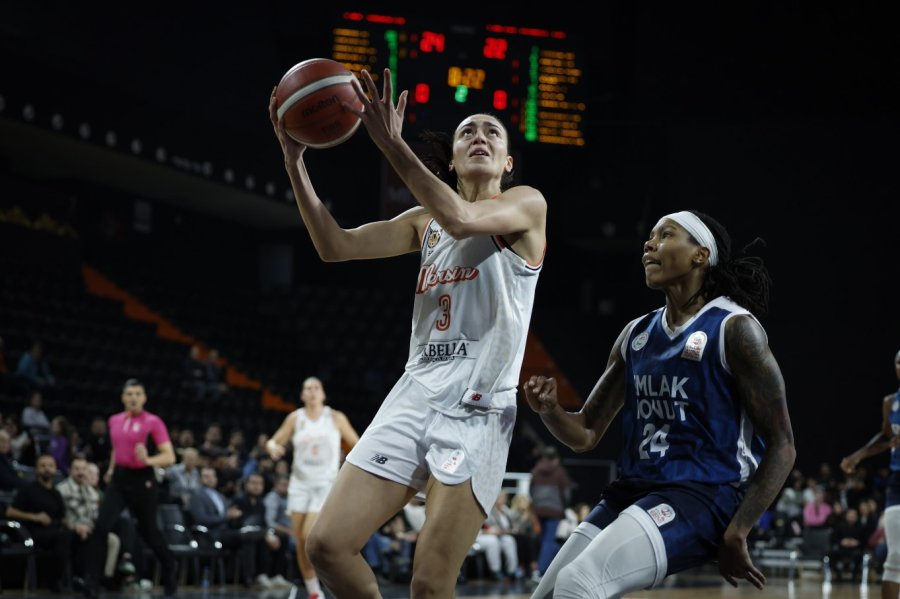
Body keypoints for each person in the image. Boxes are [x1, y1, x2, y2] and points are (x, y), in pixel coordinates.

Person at [268, 64, 547, 598]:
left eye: (492, 131)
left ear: (508, 162)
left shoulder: (526, 205)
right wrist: (294, 161)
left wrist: (391, 144)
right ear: (453, 158)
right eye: (468, 131)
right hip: (415, 392)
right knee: (325, 544)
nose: (479, 136)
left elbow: (465, 219)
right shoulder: (424, 221)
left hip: (477, 406)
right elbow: (335, 246)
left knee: (428, 584)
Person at [523, 210, 795, 598]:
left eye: (665, 235)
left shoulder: (734, 329)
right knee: (548, 595)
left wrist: (739, 529)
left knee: (578, 583)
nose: (649, 244)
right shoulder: (636, 334)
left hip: (704, 494)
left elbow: (783, 445)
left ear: (701, 255)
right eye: (649, 237)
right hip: (635, 490)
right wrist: (549, 410)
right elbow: (584, 434)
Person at [81, 378, 178, 597]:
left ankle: (170, 566)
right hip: (120, 478)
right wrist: (111, 469)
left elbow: (169, 456)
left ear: (144, 398)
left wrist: (148, 460)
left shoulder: (153, 422)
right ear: (123, 398)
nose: (133, 398)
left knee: (149, 531)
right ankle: (91, 581)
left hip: (143, 478)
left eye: (137, 394)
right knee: (101, 526)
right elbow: (117, 448)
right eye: (129, 394)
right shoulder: (114, 420)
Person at [265, 376, 360, 599]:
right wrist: (272, 449)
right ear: (302, 395)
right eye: (307, 388)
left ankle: (334, 581)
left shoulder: (335, 418)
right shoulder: (295, 418)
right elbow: (273, 441)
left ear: (323, 394)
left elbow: (358, 444)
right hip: (299, 485)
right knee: (299, 541)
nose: (312, 391)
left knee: (309, 536)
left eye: (316, 388)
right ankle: (314, 593)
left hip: (325, 484)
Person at [840, 348, 900, 599]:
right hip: (897, 482)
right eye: (899, 362)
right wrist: (858, 455)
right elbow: (886, 437)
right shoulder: (890, 402)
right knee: (895, 556)